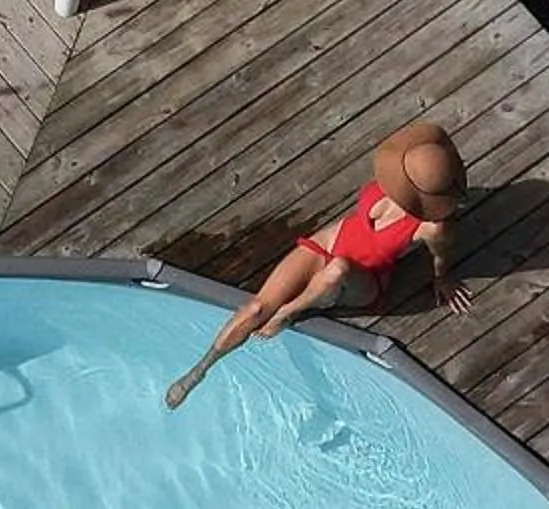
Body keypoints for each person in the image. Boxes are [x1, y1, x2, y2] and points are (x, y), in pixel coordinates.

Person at [163, 125, 474, 410]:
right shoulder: (389, 179)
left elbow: (440, 255)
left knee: (336, 271)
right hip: (328, 243)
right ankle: (200, 369)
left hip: (364, 279)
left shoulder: (432, 227)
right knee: (257, 308)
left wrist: (442, 278)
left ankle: (290, 312)